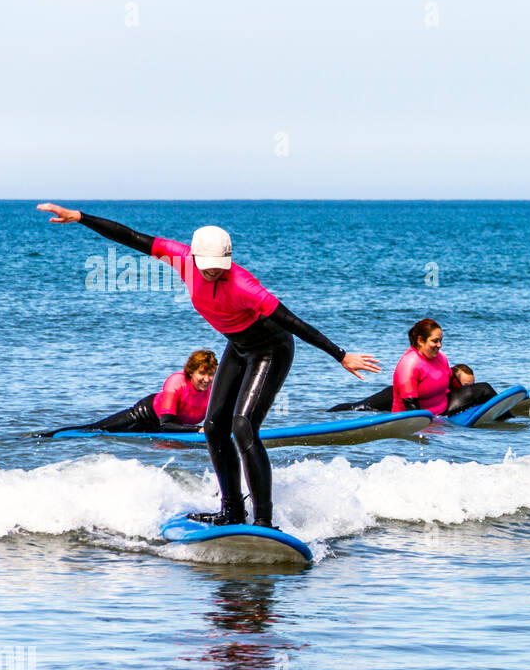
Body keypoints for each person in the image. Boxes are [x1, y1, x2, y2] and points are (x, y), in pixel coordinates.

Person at [37, 203, 380, 527]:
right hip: (238, 345)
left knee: (244, 426)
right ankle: (231, 512)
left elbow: (292, 321)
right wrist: (80, 217)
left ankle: (263, 521)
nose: (215, 269)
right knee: (215, 427)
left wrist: (340, 354)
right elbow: (132, 237)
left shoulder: (245, 285)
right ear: (195, 256)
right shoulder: (181, 258)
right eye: (209, 263)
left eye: (221, 263)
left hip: (270, 349)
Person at [40, 350, 218, 436]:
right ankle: (49, 436)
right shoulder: (177, 382)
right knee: (96, 430)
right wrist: (199, 429)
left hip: (163, 428)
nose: (207, 379)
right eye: (202, 373)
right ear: (191, 372)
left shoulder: (213, 389)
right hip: (142, 416)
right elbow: (166, 425)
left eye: (211, 374)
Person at [328, 362, 480, 414]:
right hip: (394, 395)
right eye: (466, 386)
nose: (469, 390)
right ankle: (330, 414)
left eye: (471, 386)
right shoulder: (441, 384)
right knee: (359, 407)